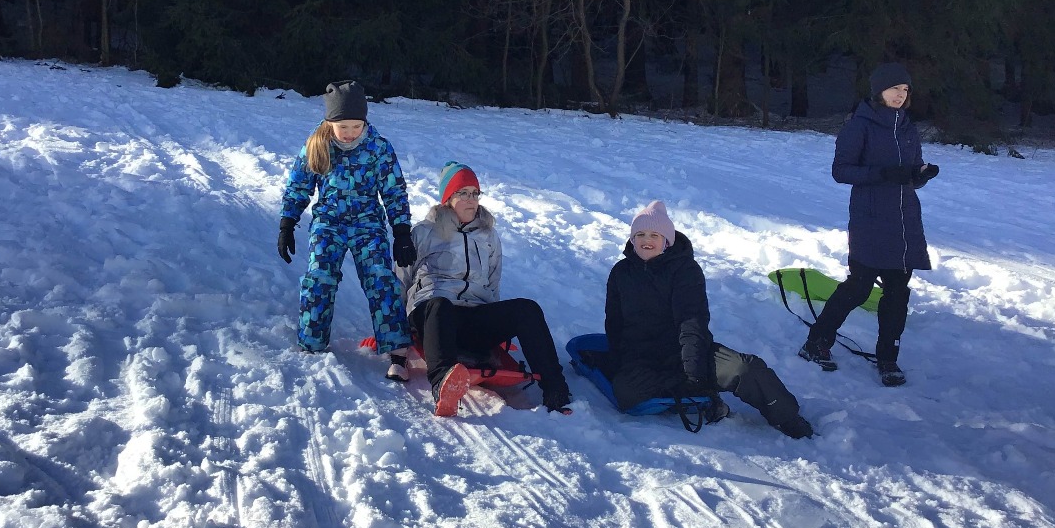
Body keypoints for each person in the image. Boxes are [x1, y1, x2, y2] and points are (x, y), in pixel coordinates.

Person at [606, 201, 813, 439]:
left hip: (687, 351)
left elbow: (692, 323)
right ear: (632, 239)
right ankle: (699, 395)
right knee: (627, 393)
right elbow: (614, 322)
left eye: (655, 235)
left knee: (744, 368)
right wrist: (619, 361)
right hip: (642, 356)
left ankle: (787, 417)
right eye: (640, 234)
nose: (646, 240)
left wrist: (693, 373)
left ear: (667, 241)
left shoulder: (685, 270)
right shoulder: (621, 272)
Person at [798, 62, 940, 386]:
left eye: (905, 90)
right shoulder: (859, 125)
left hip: (904, 221)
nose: (900, 95)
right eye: (894, 89)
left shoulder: (907, 127)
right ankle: (816, 342)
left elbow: (910, 175)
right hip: (870, 219)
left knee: (897, 293)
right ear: (879, 91)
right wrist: (883, 174)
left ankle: (888, 359)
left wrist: (920, 175)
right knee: (858, 288)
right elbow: (841, 170)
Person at [398, 161, 572, 417]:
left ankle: (555, 390)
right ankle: (443, 385)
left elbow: (492, 282)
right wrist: (395, 333)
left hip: (473, 317)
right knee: (439, 305)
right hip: (434, 318)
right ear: (447, 198)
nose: (471, 200)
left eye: (475, 193)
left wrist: (496, 328)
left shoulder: (488, 235)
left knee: (527, 309)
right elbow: (401, 280)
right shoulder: (424, 232)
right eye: (463, 193)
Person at [277, 80, 415, 376]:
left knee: (381, 278)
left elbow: (394, 191)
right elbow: (299, 186)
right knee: (319, 277)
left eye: (356, 126)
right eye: (343, 127)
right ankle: (312, 343)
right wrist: (287, 223)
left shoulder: (378, 147)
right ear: (330, 122)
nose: (351, 132)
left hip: (368, 223)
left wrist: (402, 231)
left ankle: (398, 354)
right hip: (328, 224)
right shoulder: (317, 144)